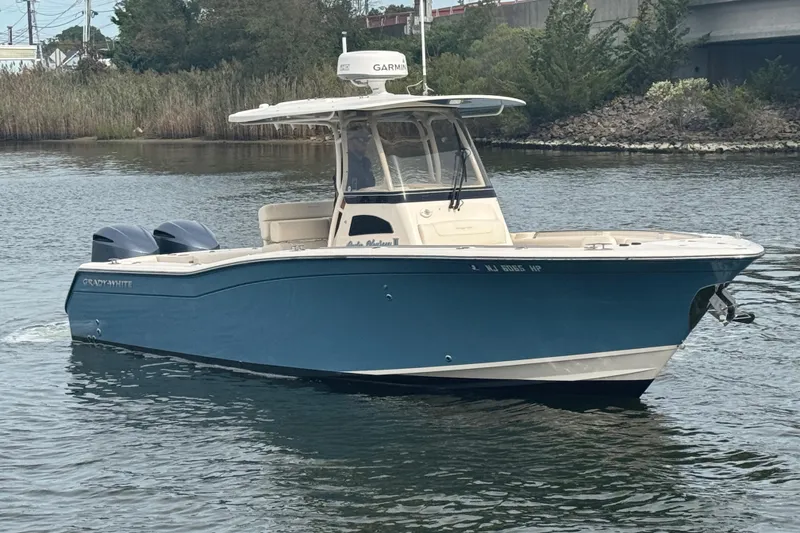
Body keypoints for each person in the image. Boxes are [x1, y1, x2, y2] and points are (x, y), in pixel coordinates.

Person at [345, 126, 376, 191]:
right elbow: (348, 196)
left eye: (367, 140)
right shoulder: (346, 165)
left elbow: (371, 186)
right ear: (349, 142)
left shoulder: (366, 162)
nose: (365, 143)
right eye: (361, 140)